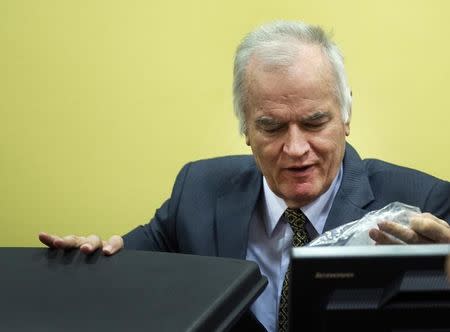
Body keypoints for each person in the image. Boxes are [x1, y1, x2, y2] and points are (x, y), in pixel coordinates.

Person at [39, 20, 450, 332]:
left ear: (345, 117)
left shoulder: (424, 204)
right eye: (271, 127)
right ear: (245, 129)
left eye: (314, 122)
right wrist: (89, 263)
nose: (295, 148)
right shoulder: (197, 192)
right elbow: (133, 263)